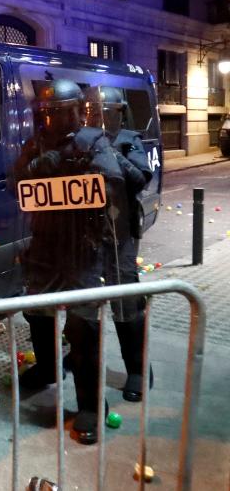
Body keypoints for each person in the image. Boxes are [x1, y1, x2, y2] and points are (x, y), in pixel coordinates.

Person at [14, 79, 124, 444]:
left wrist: (77, 171)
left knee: (83, 327)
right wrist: (37, 166)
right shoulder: (37, 144)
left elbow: (113, 182)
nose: (54, 120)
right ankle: (47, 368)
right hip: (45, 246)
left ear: (76, 111)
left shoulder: (93, 141)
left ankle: (91, 404)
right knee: (37, 313)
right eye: (49, 114)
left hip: (82, 249)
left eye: (61, 113)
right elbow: (16, 181)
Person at [94, 86, 153, 402]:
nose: (101, 117)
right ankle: (80, 355)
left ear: (119, 113)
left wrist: (112, 154)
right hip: (87, 234)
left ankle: (138, 369)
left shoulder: (129, 140)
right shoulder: (85, 140)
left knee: (125, 300)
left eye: (107, 111)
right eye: (96, 111)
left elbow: (141, 179)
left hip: (120, 232)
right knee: (84, 302)